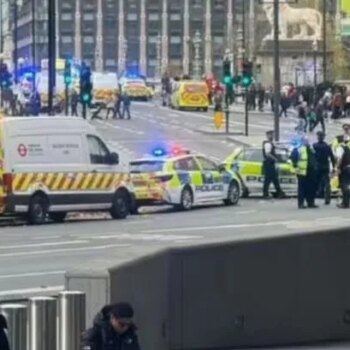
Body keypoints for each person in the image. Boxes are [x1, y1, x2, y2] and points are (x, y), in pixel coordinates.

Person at [291, 136, 318, 209]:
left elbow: (315, 157)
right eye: (305, 140)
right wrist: (296, 169)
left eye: (307, 140)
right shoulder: (299, 149)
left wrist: (315, 167)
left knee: (311, 187)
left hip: (311, 171)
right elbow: (293, 159)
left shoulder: (311, 148)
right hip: (302, 171)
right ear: (302, 141)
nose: (307, 142)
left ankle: (311, 202)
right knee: (302, 188)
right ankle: (301, 204)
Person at [313, 131, 336, 205]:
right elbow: (332, 157)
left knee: (315, 183)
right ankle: (327, 199)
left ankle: (312, 198)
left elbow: (312, 157)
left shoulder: (315, 146)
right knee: (327, 184)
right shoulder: (327, 146)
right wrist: (334, 167)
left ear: (318, 137)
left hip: (317, 167)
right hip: (325, 166)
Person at [262, 130, 285, 199]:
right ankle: (265, 194)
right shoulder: (267, 144)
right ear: (267, 135)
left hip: (270, 163)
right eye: (271, 135)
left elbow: (275, 146)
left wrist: (283, 148)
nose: (272, 136)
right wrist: (275, 159)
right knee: (268, 179)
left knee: (275, 179)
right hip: (268, 163)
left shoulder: (270, 143)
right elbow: (267, 153)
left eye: (273, 134)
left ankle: (279, 192)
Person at [335, 134, 350, 208]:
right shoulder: (347, 147)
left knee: (343, 185)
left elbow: (339, 159)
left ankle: (345, 203)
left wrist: (337, 168)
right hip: (348, 167)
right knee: (347, 185)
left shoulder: (339, 148)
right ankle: (346, 202)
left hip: (343, 168)